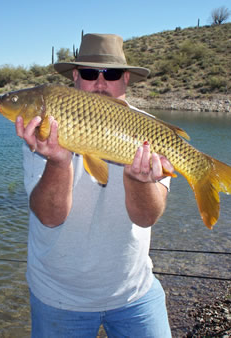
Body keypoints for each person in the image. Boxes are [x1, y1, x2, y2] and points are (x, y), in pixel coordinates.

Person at [15, 33, 173, 337]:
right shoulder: (45, 131)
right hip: (57, 296)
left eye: (111, 74)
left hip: (134, 293)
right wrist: (58, 161)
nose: (100, 83)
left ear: (126, 79)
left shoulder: (150, 133)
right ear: (75, 77)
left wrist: (137, 181)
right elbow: (49, 217)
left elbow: (146, 217)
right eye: (89, 73)